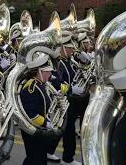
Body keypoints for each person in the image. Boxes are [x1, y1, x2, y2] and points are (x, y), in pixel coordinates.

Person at [20, 52, 59, 165]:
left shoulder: (40, 84)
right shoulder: (31, 87)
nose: (50, 74)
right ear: (39, 72)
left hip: (39, 129)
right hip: (33, 130)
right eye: (47, 71)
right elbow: (30, 113)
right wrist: (45, 123)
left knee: (37, 159)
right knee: (35, 159)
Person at [51, 31, 83, 165]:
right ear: (63, 49)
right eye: (69, 48)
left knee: (62, 129)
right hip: (64, 100)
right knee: (69, 131)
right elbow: (56, 82)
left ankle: (49, 150)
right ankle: (67, 159)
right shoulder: (59, 63)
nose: (72, 50)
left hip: (72, 100)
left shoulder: (70, 61)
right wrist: (70, 88)